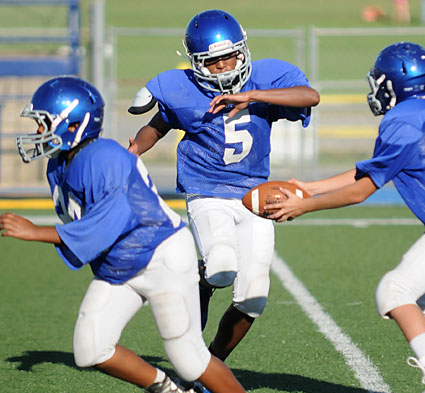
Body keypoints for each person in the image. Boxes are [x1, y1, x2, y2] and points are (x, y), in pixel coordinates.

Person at [267, 42, 425, 393]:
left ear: (395, 84)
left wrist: (305, 206)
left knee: (393, 291)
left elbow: (362, 191)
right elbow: (373, 172)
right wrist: (311, 187)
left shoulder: (402, 118)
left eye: (379, 82)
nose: (375, 90)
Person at [0, 76, 246, 393]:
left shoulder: (104, 156)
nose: (38, 133)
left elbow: (107, 223)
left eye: (44, 123)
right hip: (120, 264)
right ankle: (169, 391)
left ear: (72, 125)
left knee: (189, 358)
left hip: (159, 255)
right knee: (91, 348)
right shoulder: (59, 165)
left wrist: (37, 232)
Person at [128, 9, 320, 362]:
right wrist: (136, 149)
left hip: (253, 193)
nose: (225, 65)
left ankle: (212, 364)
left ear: (243, 49)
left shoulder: (264, 77)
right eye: (214, 61)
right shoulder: (182, 87)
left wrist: (255, 96)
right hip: (207, 190)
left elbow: (310, 96)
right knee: (220, 265)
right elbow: (158, 124)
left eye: (231, 55)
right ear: (198, 63)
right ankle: (202, 280)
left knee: (254, 297)